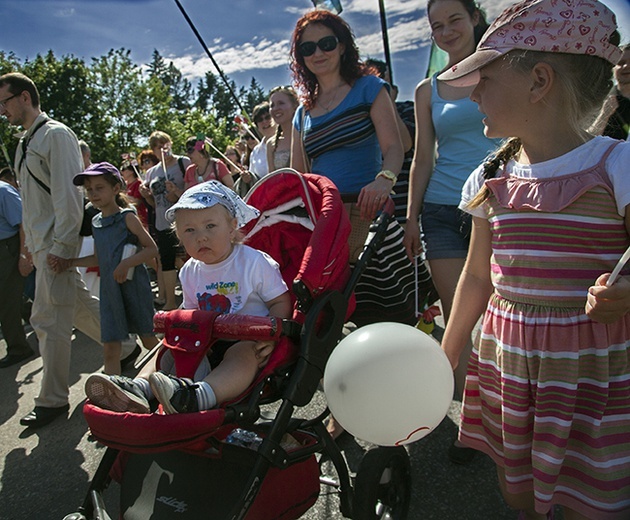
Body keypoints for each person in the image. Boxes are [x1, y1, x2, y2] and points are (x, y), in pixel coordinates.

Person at [438, 0, 629, 518]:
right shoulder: (490, 177)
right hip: (509, 363)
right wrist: (448, 351)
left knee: (594, 494)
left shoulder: (616, 164)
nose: (473, 92)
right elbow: (479, 276)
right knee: (517, 486)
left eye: (485, 77)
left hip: (589, 369)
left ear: (539, 80)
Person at [289, 10, 414, 438]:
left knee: (384, 315)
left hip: (369, 212)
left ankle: (397, 400)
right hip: (326, 226)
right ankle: (345, 407)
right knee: (330, 317)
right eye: (308, 48)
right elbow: (296, 178)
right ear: (300, 57)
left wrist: (384, 180)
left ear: (342, 45)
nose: (319, 53)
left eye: (327, 43)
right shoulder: (301, 114)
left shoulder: (368, 88)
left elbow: (394, 148)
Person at [84, 181, 291, 414]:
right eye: (189, 231)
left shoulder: (254, 262)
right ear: (179, 237)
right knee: (168, 347)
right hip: (206, 336)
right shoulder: (190, 270)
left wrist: (272, 336)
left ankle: (198, 396)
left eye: (210, 226)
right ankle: (140, 387)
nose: (201, 237)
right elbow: (191, 313)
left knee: (243, 355)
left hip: (247, 337)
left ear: (232, 227)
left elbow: (280, 301)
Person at [402, 0, 500, 463]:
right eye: (436, 26)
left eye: (454, 20)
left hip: (502, 208)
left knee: (499, 319)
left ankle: (513, 415)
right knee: (460, 319)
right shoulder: (428, 90)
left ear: (475, 17)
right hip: (441, 210)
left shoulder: (505, 67)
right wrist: (411, 215)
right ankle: (471, 427)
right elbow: (422, 158)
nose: (445, 31)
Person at [0, 72, 103, 427]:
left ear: (25, 97)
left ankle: (53, 399)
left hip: (55, 245)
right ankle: (128, 344)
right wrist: (29, 248)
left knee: (48, 319)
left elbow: (68, 196)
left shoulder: (56, 135)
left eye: (5, 102)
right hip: (42, 245)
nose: (3, 111)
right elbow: (31, 205)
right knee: (76, 307)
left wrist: (62, 246)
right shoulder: (24, 143)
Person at [69, 163, 160, 374]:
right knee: (111, 348)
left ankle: (169, 376)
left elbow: (151, 249)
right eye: (89, 189)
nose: (93, 194)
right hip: (110, 292)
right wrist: (70, 262)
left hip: (133, 288)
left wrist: (126, 263)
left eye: (99, 188)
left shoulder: (127, 217)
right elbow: (100, 259)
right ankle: (114, 397)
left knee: (148, 340)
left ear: (115, 188)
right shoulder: (96, 222)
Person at [140, 131, 191, 310]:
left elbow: (194, 191)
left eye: (165, 143)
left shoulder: (183, 163)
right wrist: (146, 196)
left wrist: (176, 192)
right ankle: (170, 302)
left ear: (170, 143)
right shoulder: (152, 172)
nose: (162, 148)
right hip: (162, 223)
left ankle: (192, 297)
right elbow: (154, 203)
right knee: (167, 261)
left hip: (184, 220)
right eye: (157, 146)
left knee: (189, 258)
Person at [0, 166, 34, 368]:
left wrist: (24, 255)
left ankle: (19, 348)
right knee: (13, 298)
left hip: (8, 248)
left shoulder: (3, 191)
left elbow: (24, 223)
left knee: (6, 301)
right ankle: (44, 327)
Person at [590, 44, 630, 140]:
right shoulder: (599, 99)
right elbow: (584, 140)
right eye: (621, 63)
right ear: (613, 68)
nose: (626, 66)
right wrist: (604, 115)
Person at [266, 86, 299, 171]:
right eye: (272, 105)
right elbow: (272, 178)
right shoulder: (271, 144)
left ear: (294, 106)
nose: (276, 108)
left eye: (281, 103)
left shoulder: (305, 135)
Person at [248, 102, 276, 178]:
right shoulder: (255, 153)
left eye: (267, 117)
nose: (264, 122)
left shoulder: (289, 141)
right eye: (260, 120)